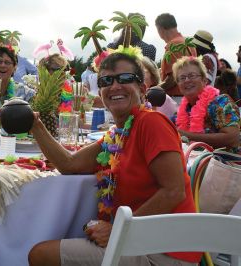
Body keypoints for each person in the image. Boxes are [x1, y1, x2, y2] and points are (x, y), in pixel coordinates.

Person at [28, 52, 202, 266]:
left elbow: (174, 191)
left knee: (42, 255)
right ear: (100, 91)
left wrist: (119, 230)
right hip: (138, 242)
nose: (115, 86)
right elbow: (69, 165)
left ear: (142, 89)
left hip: (166, 251)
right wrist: (35, 126)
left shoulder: (152, 123)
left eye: (125, 78)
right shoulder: (116, 135)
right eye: (106, 81)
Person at [173, 56, 240, 150]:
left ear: (204, 80)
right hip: (192, 161)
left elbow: (232, 138)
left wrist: (187, 136)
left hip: (222, 162)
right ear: (178, 85)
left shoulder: (221, 102)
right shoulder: (181, 111)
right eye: (182, 78)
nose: (187, 80)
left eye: (192, 75)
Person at [155, 13, 197, 103]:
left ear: (160, 29)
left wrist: (155, 89)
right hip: (190, 96)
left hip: (176, 99)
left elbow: (173, 78)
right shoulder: (188, 42)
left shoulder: (173, 45)